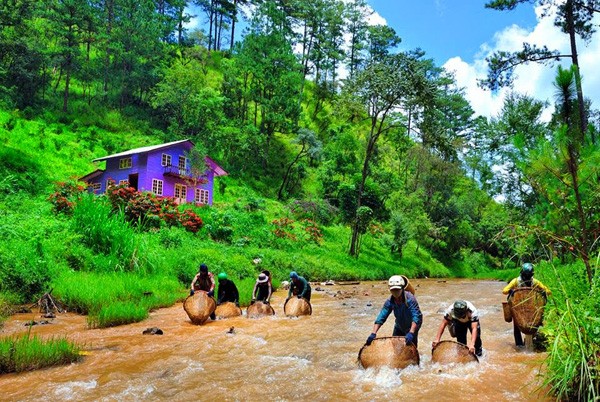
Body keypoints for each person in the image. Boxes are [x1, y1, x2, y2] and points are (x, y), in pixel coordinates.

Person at [365, 275, 423, 347]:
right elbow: (382, 316)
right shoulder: (390, 301)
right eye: (393, 290)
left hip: (413, 325)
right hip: (399, 325)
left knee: (410, 346)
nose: (395, 292)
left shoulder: (410, 299)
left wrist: (411, 332)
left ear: (402, 288)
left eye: (397, 289)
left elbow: (416, 316)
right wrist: (373, 333)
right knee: (395, 346)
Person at [502, 262, 551, 347]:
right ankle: (519, 345)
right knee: (517, 325)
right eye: (525, 276)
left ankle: (528, 343)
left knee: (533, 324)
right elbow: (504, 291)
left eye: (528, 276)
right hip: (518, 307)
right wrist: (510, 291)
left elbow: (548, 291)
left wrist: (544, 291)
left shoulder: (535, 282)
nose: (527, 278)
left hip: (531, 306)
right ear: (522, 274)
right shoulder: (516, 281)